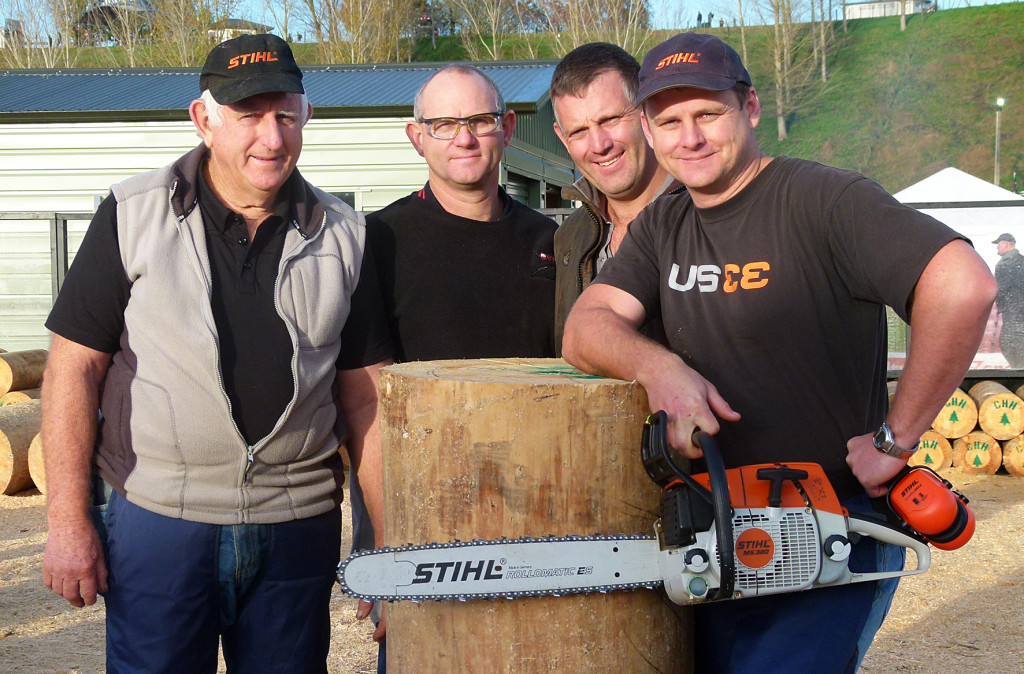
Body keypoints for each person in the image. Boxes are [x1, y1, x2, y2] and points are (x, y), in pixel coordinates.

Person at [562, 32, 996, 673]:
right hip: (716, 522)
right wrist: (658, 366)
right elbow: (586, 325)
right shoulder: (666, 223)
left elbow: (963, 284)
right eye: (670, 122)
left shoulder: (823, 200)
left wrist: (896, 439)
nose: (691, 137)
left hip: (829, 523)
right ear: (650, 132)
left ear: (751, 108)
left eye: (708, 114)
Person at [40, 33, 394, 673]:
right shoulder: (130, 215)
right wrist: (68, 521)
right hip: (160, 523)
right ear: (204, 119)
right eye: (249, 115)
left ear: (306, 117)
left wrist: (389, 540)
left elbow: (366, 396)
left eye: (286, 115)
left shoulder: (347, 236)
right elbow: (73, 366)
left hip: (297, 525)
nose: (272, 137)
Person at [349, 63, 557, 665]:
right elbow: (366, 402)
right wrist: (390, 545)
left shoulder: (550, 244)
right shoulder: (377, 244)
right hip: (421, 507)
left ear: (508, 128)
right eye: (443, 124)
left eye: (479, 121)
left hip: (536, 507)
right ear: (417, 138)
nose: (463, 138)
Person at [549, 42, 677, 351]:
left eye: (610, 120)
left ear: (645, 112)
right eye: (578, 131)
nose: (599, 144)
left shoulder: (704, 217)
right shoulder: (569, 237)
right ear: (562, 139)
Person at [992, 233, 1024, 367]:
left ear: (1006, 244)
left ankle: (1018, 371)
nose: (997, 248)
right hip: (1019, 309)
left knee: (1010, 342)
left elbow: (1002, 289)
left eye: (998, 244)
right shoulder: (1021, 260)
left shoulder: (1005, 264)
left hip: (1014, 311)